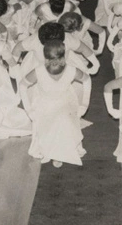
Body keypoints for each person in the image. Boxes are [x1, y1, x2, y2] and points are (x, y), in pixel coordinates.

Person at [24, 39, 87, 168]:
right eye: (51, 60)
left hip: (65, 100)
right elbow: (22, 85)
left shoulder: (71, 70)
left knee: (63, 119)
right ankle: (50, 150)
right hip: (44, 102)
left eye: (58, 60)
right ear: (46, 59)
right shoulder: (38, 71)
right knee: (49, 119)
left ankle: (59, 154)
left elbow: (87, 80)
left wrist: (84, 104)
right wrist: (28, 109)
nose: (55, 63)